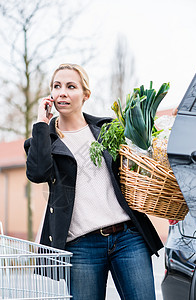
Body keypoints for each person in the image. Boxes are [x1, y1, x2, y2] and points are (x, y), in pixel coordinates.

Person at [24, 63, 163, 300]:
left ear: (85, 94)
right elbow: (38, 173)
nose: (62, 92)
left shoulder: (107, 129)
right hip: (81, 246)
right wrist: (40, 122)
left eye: (71, 86)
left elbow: (138, 166)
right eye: (57, 86)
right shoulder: (43, 140)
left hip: (128, 238)